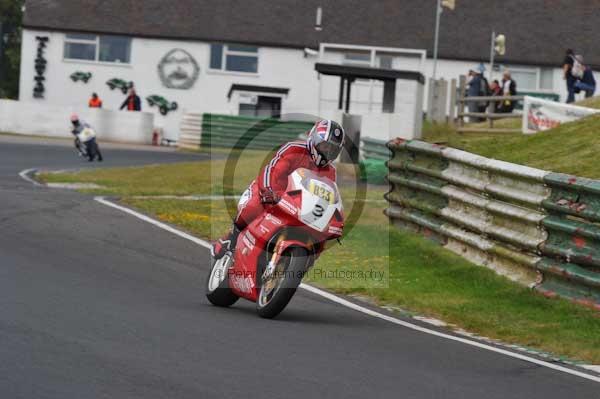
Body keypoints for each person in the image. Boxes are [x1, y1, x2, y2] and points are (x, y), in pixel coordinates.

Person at [211, 119, 345, 259]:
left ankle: (293, 270)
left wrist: (332, 221)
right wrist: (269, 191)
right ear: (314, 139)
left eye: (332, 149)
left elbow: (327, 199)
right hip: (273, 193)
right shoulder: (293, 149)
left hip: (300, 207)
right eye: (325, 146)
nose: (327, 152)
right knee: (253, 206)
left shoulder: (330, 172)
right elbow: (272, 170)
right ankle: (231, 237)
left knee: (318, 243)